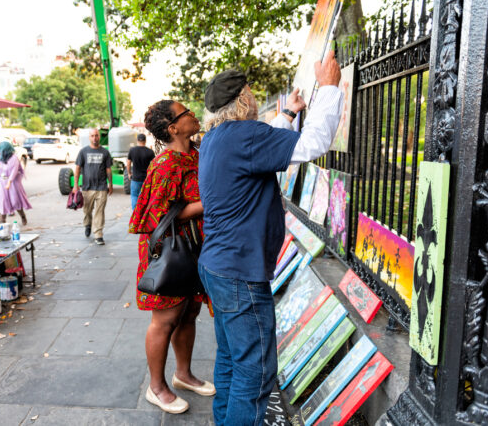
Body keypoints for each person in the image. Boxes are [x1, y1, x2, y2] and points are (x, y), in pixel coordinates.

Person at [197, 51, 343, 425]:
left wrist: (289, 113)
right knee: (256, 371)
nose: (252, 96)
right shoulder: (243, 137)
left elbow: (265, 146)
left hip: (219, 266)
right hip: (239, 273)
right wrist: (328, 88)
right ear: (243, 99)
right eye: (249, 91)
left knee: (232, 359)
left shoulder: (218, 139)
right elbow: (312, 145)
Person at [129, 101, 215, 415]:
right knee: (165, 320)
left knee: (189, 314)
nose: (193, 114)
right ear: (173, 128)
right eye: (185, 112)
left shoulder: (197, 152)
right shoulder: (165, 164)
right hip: (171, 250)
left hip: (196, 246)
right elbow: (157, 215)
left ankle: (183, 374)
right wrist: (209, 203)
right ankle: (157, 386)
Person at [73, 128, 113, 245]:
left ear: (99, 137)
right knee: (87, 211)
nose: (94, 138)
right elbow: (77, 168)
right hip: (87, 188)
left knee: (100, 211)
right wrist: (75, 185)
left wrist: (110, 184)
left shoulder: (105, 152)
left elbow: (108, 169)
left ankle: (98, 234)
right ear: (89, 137)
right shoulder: (83, 152)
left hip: (101, 187)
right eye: (92, 136)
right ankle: (87, 224)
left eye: (96, 136)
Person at [0, 141, 31, 225]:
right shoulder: (1, 158)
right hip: (2, 183)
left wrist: (9, 182)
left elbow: (14, 171)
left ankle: (23, 216)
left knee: (15, 201)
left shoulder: (14, 158)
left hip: (13, 183)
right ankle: (2, 222)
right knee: (3, 202)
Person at [126, 133, 155, 210]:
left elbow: (128, 163)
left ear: (137, 140)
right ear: (145, 141)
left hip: (135, 179)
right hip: (146, 179)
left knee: (135, 196)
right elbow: (154, 165)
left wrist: (129, 173)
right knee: (146, 198)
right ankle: (144, 215)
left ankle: (136, 216)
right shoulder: (150, 152)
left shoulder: (132, 150)